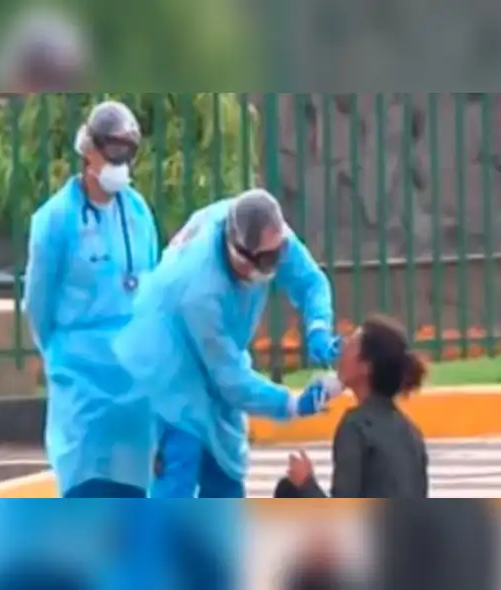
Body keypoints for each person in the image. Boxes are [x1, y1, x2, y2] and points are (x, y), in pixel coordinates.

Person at [113, 188, 344, 498]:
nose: (276, 265)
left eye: (279, 254)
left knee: (225, 467)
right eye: (266, 260)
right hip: (167, 363)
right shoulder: (201, 290)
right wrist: (289, 403)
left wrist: (318, 326)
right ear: (239, 255)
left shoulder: (266, 232)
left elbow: (310, 281)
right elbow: (231, 381)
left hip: (217, 352)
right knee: (181, 459)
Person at [24, 100, 161, 498]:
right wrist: (59, 353)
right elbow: (38, 302)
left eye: (128, 150)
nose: (120, 160)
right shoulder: (54, 220)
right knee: (87, 489)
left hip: (134, 385)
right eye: (111, 148)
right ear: (88, 149)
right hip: (82, 380)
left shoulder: (138, 212)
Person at [274, 314, 430, 498]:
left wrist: (306, 483)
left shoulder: (356, 427)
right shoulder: (411, 432)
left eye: (351, 344)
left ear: (366, 367)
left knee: (290, 490)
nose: (342, 347)